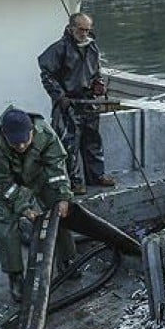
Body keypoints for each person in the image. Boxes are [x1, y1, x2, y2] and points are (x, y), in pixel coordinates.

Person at [0, 107, 78, 302]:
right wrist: (24, 208)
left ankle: (67, 259)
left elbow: (57, 166)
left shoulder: (45, 134)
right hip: (3, 181)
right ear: (5, 136)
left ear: (32, 130)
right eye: (15, 143)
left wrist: (63, 196)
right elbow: (3, 183)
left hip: (37, 173)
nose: (21, 146)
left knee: (59, 211)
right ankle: (15, 276)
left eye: (25, 140)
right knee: (7, 224)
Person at [38, 12, 114, 194]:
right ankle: (75, 182)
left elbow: (96, 72)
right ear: (71, 28)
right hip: (68, 104)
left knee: (93, 140)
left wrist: (98, 84)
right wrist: (60, 96)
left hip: (88, 101)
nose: (84, 33)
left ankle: (97, 176)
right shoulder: (59, 49)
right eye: (81, 29)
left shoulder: (92, 47)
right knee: (69, 144)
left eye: (88, 30)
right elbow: (47, 75)